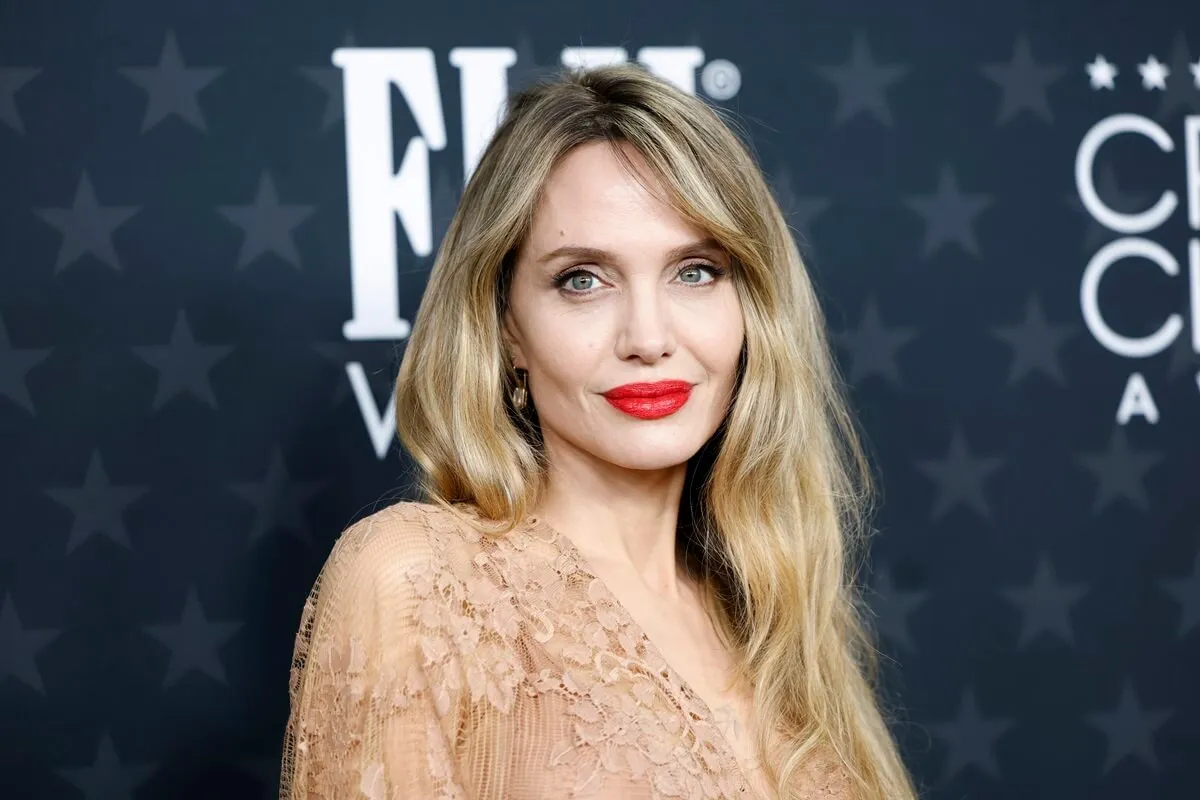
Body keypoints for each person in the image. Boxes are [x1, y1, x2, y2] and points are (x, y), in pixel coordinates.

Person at [277, 62, 918, 799]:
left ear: (753, 305)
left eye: (696, 271)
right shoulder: (421, 583)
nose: (648, 337)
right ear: (507, 328)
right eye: (583, 278)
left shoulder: (777, 619)